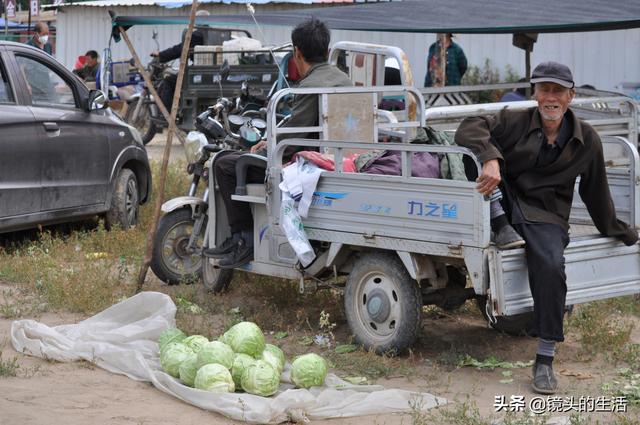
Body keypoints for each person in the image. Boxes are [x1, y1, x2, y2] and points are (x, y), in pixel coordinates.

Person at [454, 61, 638, 394]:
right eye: (544, 90)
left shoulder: (587, 140)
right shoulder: (516, 120)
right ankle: (499, 225)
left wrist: (621, 231)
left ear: (571, 95)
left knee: (551, 264)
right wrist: (490, 156)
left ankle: (545, 357)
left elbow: (596, 194)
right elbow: (468, 127)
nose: (550, 98)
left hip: (545, 215)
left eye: (557, 91)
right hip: (505, 202)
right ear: (535, 93)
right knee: (475, 157)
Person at [203, 18, 352, 269]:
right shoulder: (345, 80)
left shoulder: (309, 86)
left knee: (225, 163)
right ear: (327, 51)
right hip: (339, 156)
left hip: (308, 161)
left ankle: (245, 240)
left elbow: (295, 135)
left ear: (297, 52)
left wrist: (268, 146)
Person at [150, 10, 208, 110]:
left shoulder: (197, 35)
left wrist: (161, 55)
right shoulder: (215, 32)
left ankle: (167, 113)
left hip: (197, 74)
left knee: (168, 79)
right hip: (208, 73)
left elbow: (179, 49)